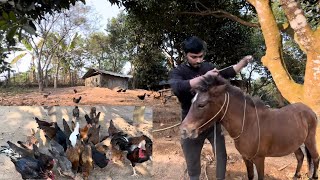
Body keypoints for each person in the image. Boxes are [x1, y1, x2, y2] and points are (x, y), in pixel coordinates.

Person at [169, 36, 252, 180]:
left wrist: (243, 63)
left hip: (212, 122)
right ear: (185, 55)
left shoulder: (207, 67)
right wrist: (204, 78)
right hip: (191, 122)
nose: (198, 60)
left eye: (201, 56)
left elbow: (227, 73)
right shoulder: (178, 72)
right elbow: (178, 87)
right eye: (194, 57)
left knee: (221, 156)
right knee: (192, 158)